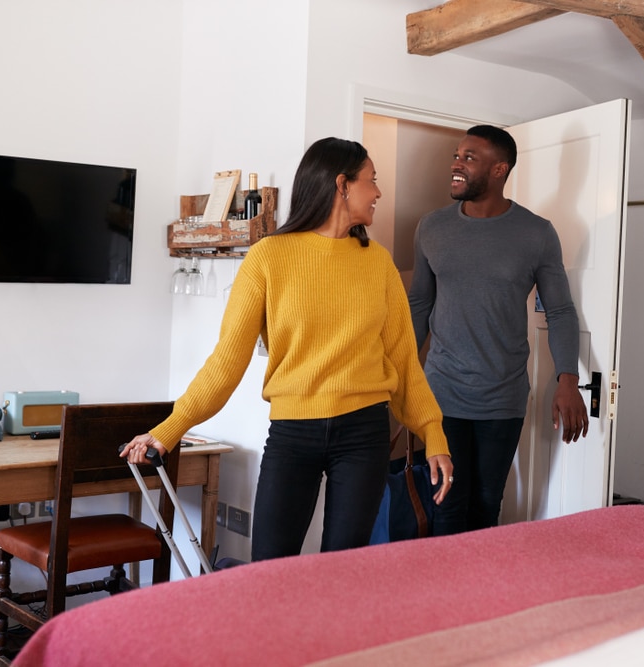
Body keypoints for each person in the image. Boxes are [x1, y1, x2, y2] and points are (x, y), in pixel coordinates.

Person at [121, 138, 452, 561]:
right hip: (294, 433)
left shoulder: (378, 263)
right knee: (270, 567)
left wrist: (434, 434)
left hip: (364, 432)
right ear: (342, 185)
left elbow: (405, 364)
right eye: (372, 181)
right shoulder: (267, 259)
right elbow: (226, 363)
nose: (379, 192)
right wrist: (170, 429)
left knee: (344, 567)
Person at [407, 125, 588, 535]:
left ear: (499, 170)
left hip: (502, 397)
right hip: (443, 392)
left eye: (469, 158)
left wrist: (568, 380)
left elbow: (560, 310)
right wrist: (398, 372)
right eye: (457, 155)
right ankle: (446, 596)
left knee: (487, 505)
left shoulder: (536, 233)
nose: (456, 164)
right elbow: (419, 303)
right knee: (447, 504)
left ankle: (482, 595)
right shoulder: (432, 228)